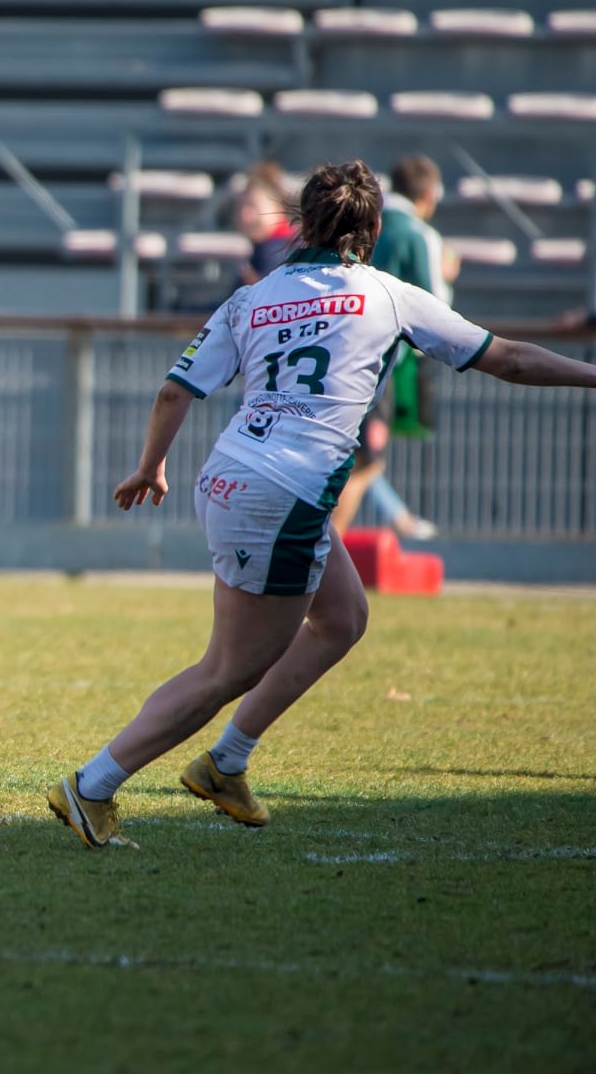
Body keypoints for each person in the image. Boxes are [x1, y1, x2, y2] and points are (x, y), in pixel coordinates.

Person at [47, 160, 596, 848]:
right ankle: (92, 785)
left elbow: (173, 391)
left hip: (232, 475)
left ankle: (226, 763)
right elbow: (508, 358)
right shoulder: (388, 294)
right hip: (285, 493)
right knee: (229, 667)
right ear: (370, 232)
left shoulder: (253, 297)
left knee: (342, 617)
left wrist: (148, 467)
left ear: (300, 225)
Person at [330, 155, 446, 540]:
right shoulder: (418, 235)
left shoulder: (365, 225)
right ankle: (324, 548)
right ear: (429, 195)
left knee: (353, 458)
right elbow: (436, 305)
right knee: (366, 461)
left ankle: (328, 547)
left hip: (340, 354)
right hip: (382, 364)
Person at [235, 162, 298, 285]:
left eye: (252, 206)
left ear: (278, 207)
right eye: (240, 207)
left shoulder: (276, 251)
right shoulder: (266, 248)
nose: (245, 216)